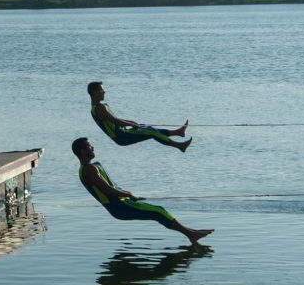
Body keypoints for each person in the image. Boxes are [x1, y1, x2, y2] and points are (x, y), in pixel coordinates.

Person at [72, 137, 213, 244]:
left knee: (157, 212)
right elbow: (108, 190)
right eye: (90, 147)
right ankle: (191, 234)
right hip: (119, 206)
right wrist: (128, 194)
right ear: (83, 151)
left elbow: (110, 187)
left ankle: (192, 232)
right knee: (158, 211)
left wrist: (127, 195)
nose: (93, 148)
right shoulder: (88, 169)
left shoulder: (90, 167)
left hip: (121, 204)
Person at [87, 81, 192, 152]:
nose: (104, 92)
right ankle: (179, 146)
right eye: (102, 90)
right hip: (121, 136)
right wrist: (131, 124)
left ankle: (177, 132)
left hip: (122, 134)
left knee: (147, 128)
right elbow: (115, 121)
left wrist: (130, 122)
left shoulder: (97, 107)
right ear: (94, 92)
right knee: (151, 132)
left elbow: (113, 120)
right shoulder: (99, 108)